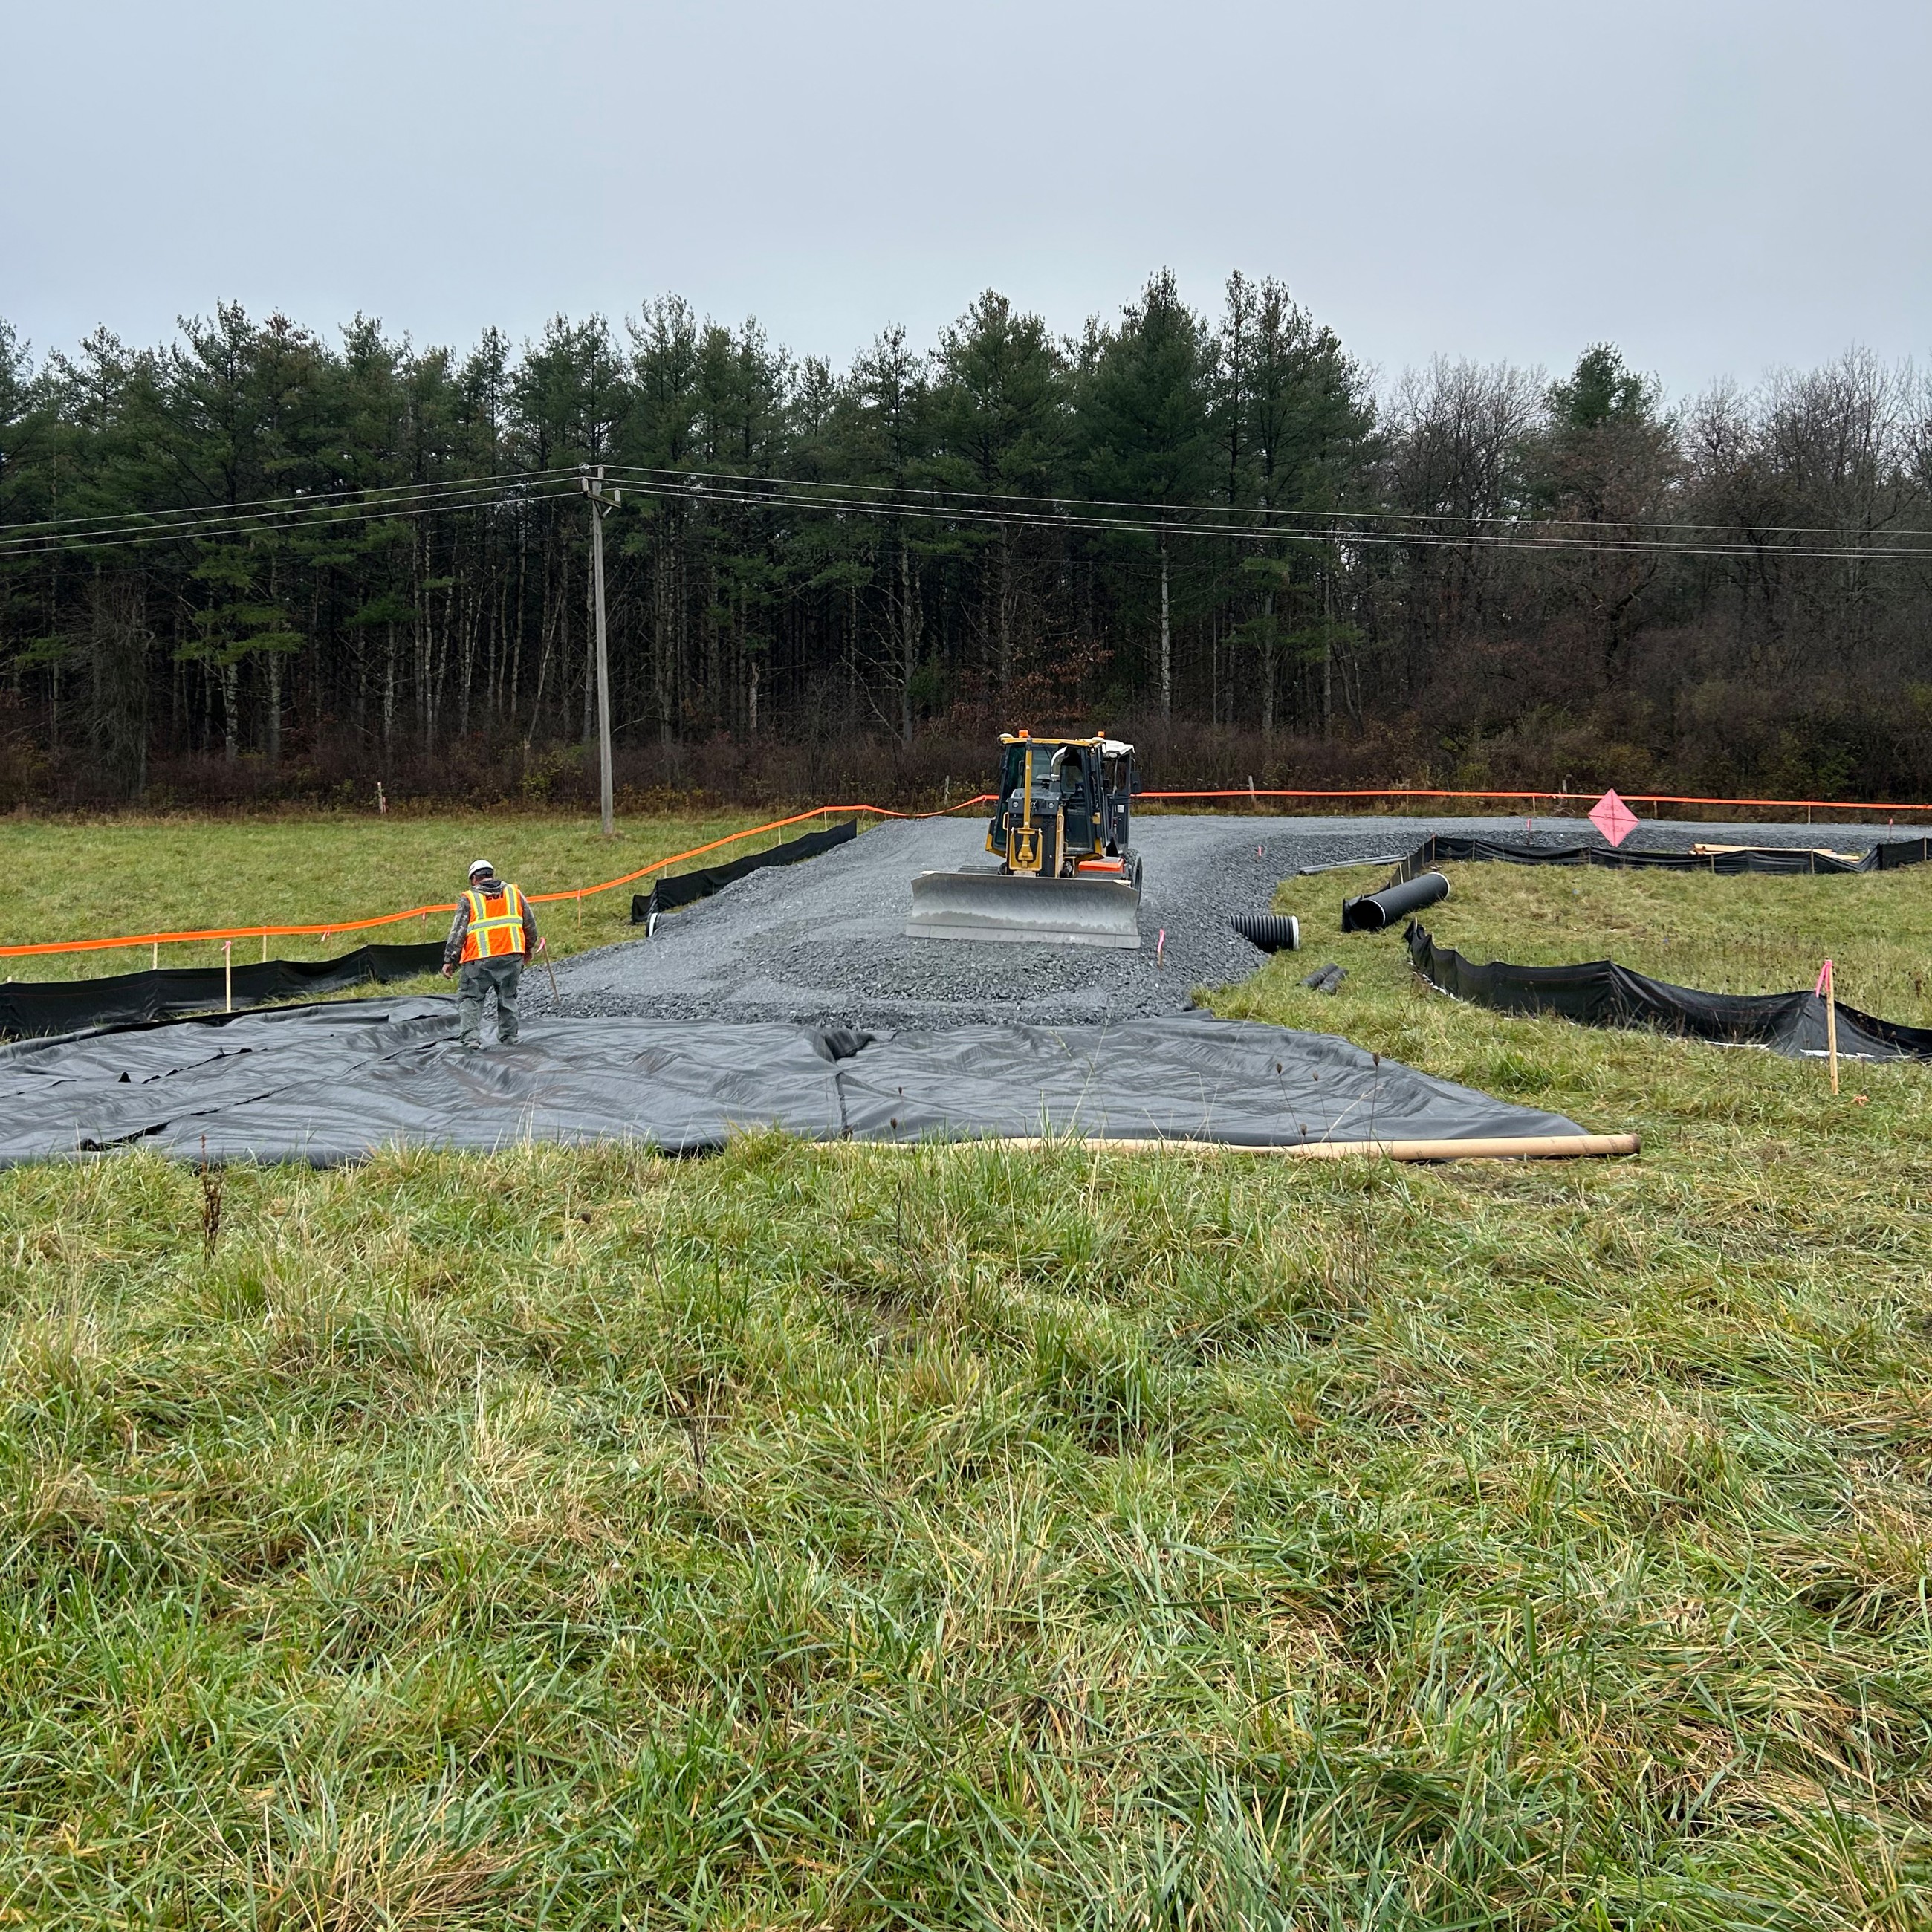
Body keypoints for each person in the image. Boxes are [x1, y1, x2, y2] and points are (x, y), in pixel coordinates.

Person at [441, 859, 538, 1048]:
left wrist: (450, 960)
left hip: (479, 960)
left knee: (471, 999)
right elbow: (530, 924)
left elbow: (458, 932)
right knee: (508, 998)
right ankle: (510, 1039)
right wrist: (528, 949)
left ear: (474, 879)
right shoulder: (514, 893)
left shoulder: (469, 898)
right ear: (491, 874)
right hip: (512, 957)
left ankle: (470, 1041)